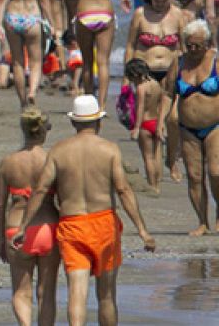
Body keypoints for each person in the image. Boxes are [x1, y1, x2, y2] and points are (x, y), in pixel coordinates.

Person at [13, 95, 155, 326]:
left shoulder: (59, 151)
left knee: (76, 295)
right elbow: (123, 190)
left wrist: (23, 227)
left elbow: (40, 190)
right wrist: (142, 230)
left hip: (73, 225)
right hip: (104, 225)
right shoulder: (109, 149)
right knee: (107, 295)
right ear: (98, 122)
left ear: (73, 123)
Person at [0, 106, 59, 326]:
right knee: (46, 292)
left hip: (16, 228)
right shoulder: (51, 159)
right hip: (48, 228)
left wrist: (1, 239)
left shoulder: (9, 162)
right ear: (44, 131)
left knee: (21, 291)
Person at [164, 19, 219, 236]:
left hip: (215, 126)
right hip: (188, 129)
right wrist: (163, 120)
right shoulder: (178, 63)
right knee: (195, 177)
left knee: (215, 172)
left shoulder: (215, 61)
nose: (193, 50)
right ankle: (202, 222)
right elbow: (169, 93)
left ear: (207, 43)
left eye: (198, 45)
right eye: (189, 45)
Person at [71, 0, 122, 111]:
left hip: (85, 11)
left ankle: (89, 101)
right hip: (105, 12)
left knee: (87, 61)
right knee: (103, 61)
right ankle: (101, 105)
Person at [123, 59, 165, 198]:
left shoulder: (141, 87)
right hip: (156, 121)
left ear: (135, 74)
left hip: (145, 124)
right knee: (157, 154)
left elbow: (140, 107)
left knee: (148, 157)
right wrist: (161, 123)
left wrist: (136, 127)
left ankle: (152, 185)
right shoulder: (156, 84)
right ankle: (158, 184)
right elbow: (160, 105)